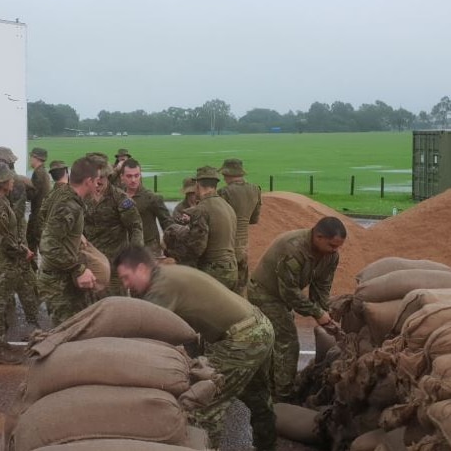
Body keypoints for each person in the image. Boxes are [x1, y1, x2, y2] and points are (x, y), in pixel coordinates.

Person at [114, 246, 276, 451]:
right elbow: (187, 332)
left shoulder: (161, 288)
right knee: (258, 398)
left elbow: (146, 334)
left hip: (242, 340)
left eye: (126, 277)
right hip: (259, 327)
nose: (127, 285)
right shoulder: (169, 274)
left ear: (141, 269)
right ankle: (268, 446)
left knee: (203, 404)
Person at [248, 216, 346, 403]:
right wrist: (317, 313)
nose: (335, 251)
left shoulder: (330, 256)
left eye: (338, 246)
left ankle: (271, 384)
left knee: (276, 339)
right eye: (332, 245)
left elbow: (321, 286)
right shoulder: (293, 249)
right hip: (265, 294)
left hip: (283, 295)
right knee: (287, 341)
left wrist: (325, 312)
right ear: (318, 237)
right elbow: (290, 293)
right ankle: (283, 396)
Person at [0, 162, 42, 364]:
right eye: (9, 179)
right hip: (4, 262)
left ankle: (1, 343)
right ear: (2, 182)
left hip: (10, 262)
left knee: (22, 293)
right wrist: (23, 250)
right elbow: (3, 239)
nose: (12, 181)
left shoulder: (0, 201)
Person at [38, 157, 100, 325]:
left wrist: (75, 233)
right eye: (96, 181)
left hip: (63, 276)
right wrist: (78, 268)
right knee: (66, 335)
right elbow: (48, 245)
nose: (97, 185)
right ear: (88, 181)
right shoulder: (68, 205)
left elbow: (47, 219)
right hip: (58, 282)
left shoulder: (64, 195)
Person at [83, 152, 143, 296]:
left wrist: (133, 257)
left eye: (102, 178)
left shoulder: (120, 199)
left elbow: (136, 227)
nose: (98, 182)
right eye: (94, 178)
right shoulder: (82, 197)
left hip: (115, 266)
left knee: (116, 309)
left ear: (108, 176)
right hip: (90, 263)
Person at [173, 166, 238, 291]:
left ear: (197, 184)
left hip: (213, 271)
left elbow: (197, 248)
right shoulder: (227, 206)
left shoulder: (202, 209)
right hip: (232, 269)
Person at [217, 158, 262, 295]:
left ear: (226, 174)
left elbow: (219, 220)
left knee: (223, 290)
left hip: (227, 248)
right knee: (241, 288)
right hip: (244, 247)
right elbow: (254, 219)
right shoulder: (255, 190)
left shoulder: (224, 192)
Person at [120, 158, 174, 256]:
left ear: (140, 175)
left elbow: (167, 223)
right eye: (129, 176)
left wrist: (171, 247)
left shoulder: (151, 198)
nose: (133, 180)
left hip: (149, 250)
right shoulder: (118, 197)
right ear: (122, 177)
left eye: (136, 176)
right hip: (125, 249)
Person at [26, 147, 51, 256]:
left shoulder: (38, 173)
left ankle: (34, 269)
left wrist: (24, 188)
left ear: (36, 158)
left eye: (31, 157)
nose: (30, 159)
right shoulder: (43, 171)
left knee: (32, 243)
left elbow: (32, 194)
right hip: (41, 214)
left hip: (38, 214)